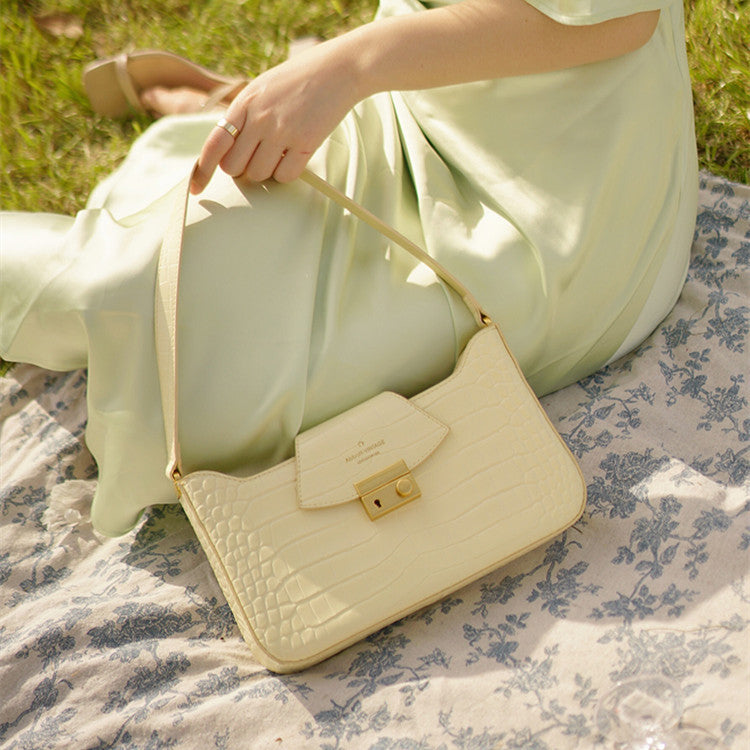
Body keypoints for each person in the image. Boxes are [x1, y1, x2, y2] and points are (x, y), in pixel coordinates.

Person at [0, 0, 698, 536]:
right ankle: (232, 107)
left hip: (553, 220)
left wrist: (346, 67)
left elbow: (624, 17)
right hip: (413, 109)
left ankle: (223, 106)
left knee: (185, 350)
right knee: (136, 276)